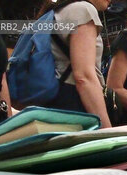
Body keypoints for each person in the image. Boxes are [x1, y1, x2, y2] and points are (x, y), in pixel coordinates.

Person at [37, 0, 112, 128]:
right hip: (75, 103)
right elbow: (84, 77)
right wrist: (108, 131)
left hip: (52, 102)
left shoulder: (57, 11)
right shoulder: (83, 10)